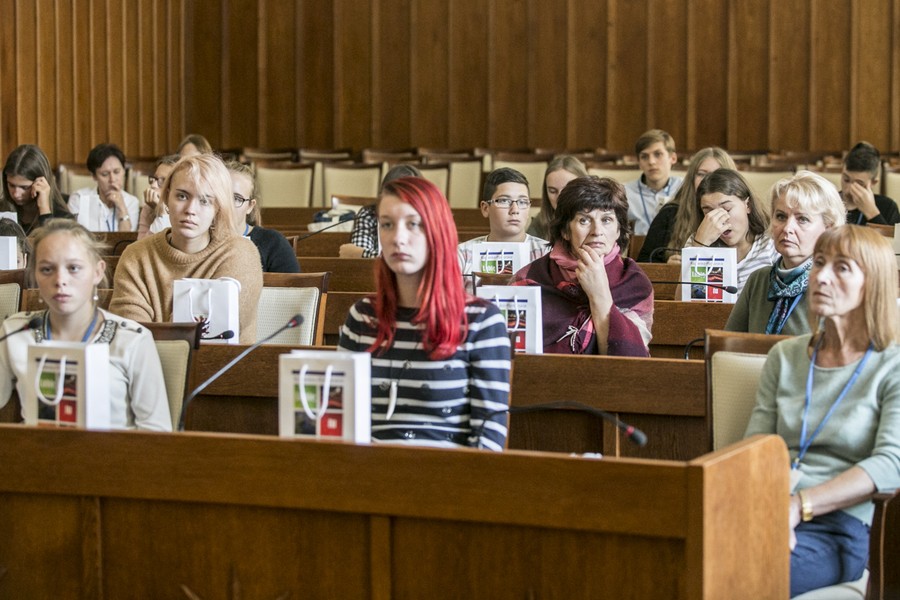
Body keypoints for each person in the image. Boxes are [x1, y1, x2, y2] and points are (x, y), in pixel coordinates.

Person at [745, 226, 900, 597]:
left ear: (873, 284)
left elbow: (891, 463)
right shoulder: (785, 356)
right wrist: (773, 509)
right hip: (767, 509)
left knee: (743, 578)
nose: (821, 277)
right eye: (818, 263)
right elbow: (756, 447)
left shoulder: (891, 365)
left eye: (842, 267)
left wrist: (800, 506)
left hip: (842, 528)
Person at [337, 176, 510, 451]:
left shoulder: (481, 321)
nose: (398, 238)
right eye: (387, 225)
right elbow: (340, 421)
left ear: (437, 231)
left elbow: (488, 440)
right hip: (369, 481)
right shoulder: (362, 317)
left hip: (448, 483)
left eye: (413, 224)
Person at [0, 219, 172, 431]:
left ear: (97, 272)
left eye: (73, 268)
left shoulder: (133, 339)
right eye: (46, 269)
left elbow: (157, 433)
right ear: (34, 274)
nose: (60, 279)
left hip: (114, 459)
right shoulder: (15, 332)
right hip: (38, 457)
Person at [109, 154, 263, 343]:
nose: (191, 209)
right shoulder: (135, 256)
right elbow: (130, 340)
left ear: (218, 208)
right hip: (149, 370)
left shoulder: (240, 252)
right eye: (182, 196)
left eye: (205, 201)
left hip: (223, 368)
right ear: (166, 198)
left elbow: (213, 337)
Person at [513, 176, 654, 356]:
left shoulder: (633, 281)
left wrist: (599, 294)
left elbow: (630, 362)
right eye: (584, 220)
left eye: (607, 220)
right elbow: (513, 354)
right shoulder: (530, 278)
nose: (597, 231)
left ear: (619, 229)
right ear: (565, 231)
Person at [726, 171, 846, 335]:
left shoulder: (834, 286)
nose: (787, 228)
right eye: (781, 216)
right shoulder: (758, 280)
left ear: (829, 228)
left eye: (802, 219)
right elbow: (728, 347)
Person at [684, 168, 778, 293]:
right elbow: (683, 301)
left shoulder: (771, 246)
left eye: (727, 209)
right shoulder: (697, 242)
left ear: (747, 205)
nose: (719, 221)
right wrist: (700, 245)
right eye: (709, 213)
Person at [637, 147, 736, 262]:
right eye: (701, 174)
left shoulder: (740, 214)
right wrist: (667, 267)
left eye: (717, 175)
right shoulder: (670, 213)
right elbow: (644, 264)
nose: (709, 180)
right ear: (691, 179)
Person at [457, 167, 548, 276]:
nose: (515, 210)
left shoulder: (547, 254)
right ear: (485, 208)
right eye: (504, 201)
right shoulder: (462, 255)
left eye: (522, 202)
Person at [226, 160, 300, 272]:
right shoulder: (197, 241)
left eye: (237, 199)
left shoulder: (274, 243)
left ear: (250, 206)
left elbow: (294, 288)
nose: (228, 204)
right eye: (222, 195)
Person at [339, 163, 422, 258]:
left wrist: (362, 253)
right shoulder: (369, 214)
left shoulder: (424, 217)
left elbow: (415, 257)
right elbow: (359, 261)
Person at [0, 144, 73, 234]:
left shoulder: (63, 216)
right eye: (11, 185)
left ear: (42, 183)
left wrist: (44, 209)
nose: (16, 194)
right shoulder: (1, 208)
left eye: (24, 187)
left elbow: (52, 245)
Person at [67, 143, 140, 232]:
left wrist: (122, 207)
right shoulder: (79, 199)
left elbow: (127, 241)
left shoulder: (131, 202)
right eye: (105, 174)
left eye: (117, 172)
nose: (112, 179)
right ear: (94, 176)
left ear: (124, 171)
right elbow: (72, 235)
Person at [623, 129, 683, 236]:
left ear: (673, 158)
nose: (651, 162)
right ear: (639, 163)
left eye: (658, 154)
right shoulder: (624, 193)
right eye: (644, 157)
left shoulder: (684, 188)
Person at [526, 155, 589, 240]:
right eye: (552, 191)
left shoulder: (598, 220)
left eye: (567, 190)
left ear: (583, 189)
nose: (560, 198)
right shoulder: (540, 222)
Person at [840, 141, 899, 226]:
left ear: (873, 182)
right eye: (846, 180)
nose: (849, 189)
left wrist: (871, 212)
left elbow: (891, 239)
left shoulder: (888, 207)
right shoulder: (829, 202)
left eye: (859, 184)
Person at [137, 154, 179, 239]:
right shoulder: (148, 208)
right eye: (155, 179)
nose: (153, 185)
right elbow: (141, 249)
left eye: (163, 180)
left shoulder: (184, 210)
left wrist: (162, 215)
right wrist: (160, 213)